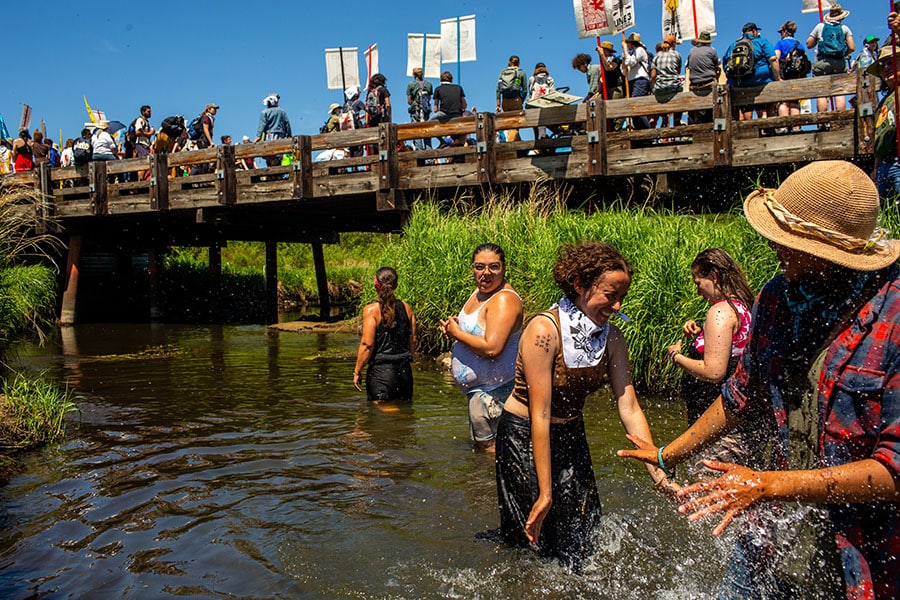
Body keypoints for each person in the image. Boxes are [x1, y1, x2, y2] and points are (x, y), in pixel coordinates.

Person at [619, 160, 900, 599]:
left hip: (863, 549)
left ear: (824, 251)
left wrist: (766, 484)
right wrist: (666, 453)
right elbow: (738, 396)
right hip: (779, 529)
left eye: (785, 240)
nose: (773, 246)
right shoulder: (775, 299)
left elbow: (893, 470)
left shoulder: (893, 317)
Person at [495, 242, 670, 569]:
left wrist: (659, 473)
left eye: (622, 297)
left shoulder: (613, 339)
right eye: (609, 295)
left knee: (584, 533)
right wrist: (546, 493)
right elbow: (541, 414)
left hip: (571, 433)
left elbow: (628, 405)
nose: (617, 306)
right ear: (579, 285)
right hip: (524, 436)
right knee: (533, 543)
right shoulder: (544, 330)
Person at [666, 248, 760, 479]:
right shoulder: (744, 307)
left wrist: (676, 356)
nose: (698, 291)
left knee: (708, 501)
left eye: (699, 283)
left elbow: (714, 371)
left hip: (719, 428)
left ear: (715, 277)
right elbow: (733, 350)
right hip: (743, 424)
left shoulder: (719, 311)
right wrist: (700, 334)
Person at [439, 243, 522, 452]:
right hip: (482, 396)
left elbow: (492, 348)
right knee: (486, 453)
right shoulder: (479, 292)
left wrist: (458, 334)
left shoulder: (504, 299)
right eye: (479, 267)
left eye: (493, 267)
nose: (486, 273)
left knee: (495, 455)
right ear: (472, 268)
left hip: (496, 394)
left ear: (503, 268)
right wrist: (455, 328)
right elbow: (477, 330)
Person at [353, 267, 417, 403]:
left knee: (381, 416)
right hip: (404, 372)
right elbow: (413, 339)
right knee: (404, 420)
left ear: (376, 284)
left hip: (381, 374)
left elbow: (367, 345)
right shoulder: (406, 308)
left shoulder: (371, 310)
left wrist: (357, 371)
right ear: (396, 285)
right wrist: (408, 358)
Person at [807, 3, 854, 113]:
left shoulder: (820, 26)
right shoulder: (844, 28)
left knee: (822, 91)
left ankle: (823, 120)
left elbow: (809, 44)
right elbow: (852, 47)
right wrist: (843, 54)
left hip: (822, 62)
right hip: (839, 63)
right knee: (838, 91)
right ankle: (840, 118)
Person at [685, 31, 720, 125]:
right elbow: (716, 66)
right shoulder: (712, 51)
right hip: (709, 84)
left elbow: (688, 66)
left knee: (695, 111)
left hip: (694, 85)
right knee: (713, 107)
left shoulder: (692, 51)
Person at [775, 21, 806, 125]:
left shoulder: (781, 43)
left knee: (783, 102)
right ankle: (796, 127)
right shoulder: (799, 45)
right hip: (797, 77)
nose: (780, 35)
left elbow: (776, 58)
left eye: (781, 32)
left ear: (785, 32)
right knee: (794, 103)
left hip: (784, 75)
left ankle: (784, 127)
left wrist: (777, 76)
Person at [651, 35, 683, 127]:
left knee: (658, 96)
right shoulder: (677, 55)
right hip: (674, 87)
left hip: (660, 89)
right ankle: (677, 121)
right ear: (674, 44)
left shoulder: (657, 56)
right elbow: (678, 72)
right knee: (681, 95)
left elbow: (653, 75)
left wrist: (654, 86)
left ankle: (664, 118)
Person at [622, 32, 652, 129]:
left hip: (640, 80)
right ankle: (640, 133)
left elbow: (631, 62)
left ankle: (647, 132)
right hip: (632, 81)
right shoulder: (632, 53)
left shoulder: (640, 50)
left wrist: (625, 50)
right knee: (633, 108)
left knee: (636, 105)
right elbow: (624, 70)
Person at [496, 55, 527, 142]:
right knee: (516, 126)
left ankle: (518, 148)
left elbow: (498, 89)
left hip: (505, 101)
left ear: (509, 62)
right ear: (519, 63)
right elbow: (525, 90)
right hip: (516, 100)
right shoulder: (521, 73)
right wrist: (521, 100)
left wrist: (498, 104)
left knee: (510, 124)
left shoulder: (503, 73)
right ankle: (510, 143)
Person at [406, 67, 433, 150]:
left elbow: (409, 101)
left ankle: (419, 151)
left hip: (415, 111)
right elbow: (430, 98)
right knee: (427, 130)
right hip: (426, 111)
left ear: (414, 75)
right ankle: (429, 151)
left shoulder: (411, 85)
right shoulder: (429, 84)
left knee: (416, 130)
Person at [528, 62, 556, 139]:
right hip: (545, 104)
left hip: (533, 104)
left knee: (535, 126)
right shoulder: (549, 79)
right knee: (542, 124)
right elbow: (553, 92)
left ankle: (538, 141)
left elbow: (530, 91)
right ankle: (542, 140)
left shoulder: (532, 79)